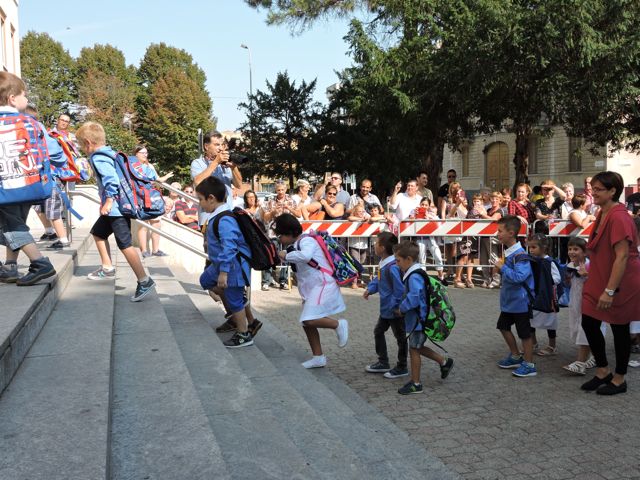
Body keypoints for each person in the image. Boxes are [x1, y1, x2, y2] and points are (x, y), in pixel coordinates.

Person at [75, 121, 155, 301]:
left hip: (116, 209)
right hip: (115, 209)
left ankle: (144, 280)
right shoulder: (110, 153)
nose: (82, 149)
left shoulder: (98, 157)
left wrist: (109, 201)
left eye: (82, 145)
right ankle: (107, 267)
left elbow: (112, 180)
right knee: (98, 233)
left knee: (125, 244)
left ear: (88, 142)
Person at [580, 171, 640, 395]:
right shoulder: (602, 213)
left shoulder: (619, 216)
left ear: (613, 191)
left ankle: (619, 378)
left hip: (619, 282)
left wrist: (609, 290)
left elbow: (622, 257)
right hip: (600, 278)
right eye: (592, 189)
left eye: (598, 189)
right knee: (589, 321)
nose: (593, 193)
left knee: (619, 328)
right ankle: (603, 370)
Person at [0, 73, 57, 286]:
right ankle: (11, 267)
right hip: (30, 184)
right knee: (16, 223)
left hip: (4, 187)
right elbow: (54, 151)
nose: (27, 99)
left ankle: (39, 262)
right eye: (25, 94)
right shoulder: (31, 122)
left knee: (11, 226)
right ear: (12, 98)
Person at [274, 213, 349, 368]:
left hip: (323, 284)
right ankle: (318, 357)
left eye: (280, 235)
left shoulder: (306, 240)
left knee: (308, 319)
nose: (279, 239)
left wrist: (286, 255)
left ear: (289, 232)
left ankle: (338, 324)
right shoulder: (296, 244)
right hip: (312, 287)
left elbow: (306, 256)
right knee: (307, 323)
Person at [196, 176, 255, 348]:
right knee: (205, 281)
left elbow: (230, 246)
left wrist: (223, 272)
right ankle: (237, 309)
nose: (200, 204)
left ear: (211, 198)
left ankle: (244, 334)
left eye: (201, 199)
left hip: (231, 267)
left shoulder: (225, 218)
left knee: (234, 298)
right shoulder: (217, 216)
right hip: (220, 265)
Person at [394, 240, 454, 395]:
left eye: (398, 260)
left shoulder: (413, 276)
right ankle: (444, 362)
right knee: (418, 347)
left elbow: (414, 297)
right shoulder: (416, 272)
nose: (396, 263)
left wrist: (402, 308)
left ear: (408, 259)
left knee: (414, 349)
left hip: (418, 321)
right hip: (419, 320)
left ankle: (416, 383)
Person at [494, 215, 537, 377]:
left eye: (500, 231)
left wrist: (502, 268)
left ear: (511, 233)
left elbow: (519, 277)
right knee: (503, 326)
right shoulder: (509, 253)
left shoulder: (520, 255)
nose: (497, 234)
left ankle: (529, 364)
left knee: (525, 334)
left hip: (521, 302)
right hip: (510, 302)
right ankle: (516, 356)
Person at [363, 232, 408, 378]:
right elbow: (379, 279)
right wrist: (370, 288)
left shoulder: (392, 266)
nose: (374, 245)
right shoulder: (384, 263)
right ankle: (383, 362)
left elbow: (399, 289)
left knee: (400, 337)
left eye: (376, 243)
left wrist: (395, 306)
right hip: (387, 309)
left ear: (382, 248)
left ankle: (402, 366)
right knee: (379, 331)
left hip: (394, 310)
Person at [562, 236, 603, 375]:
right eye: (570, 249)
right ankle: (595, 356)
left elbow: (598, 282)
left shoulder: (590, 265)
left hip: (588, 301)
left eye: (576, 249)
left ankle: (580, 363)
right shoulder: (570, 265)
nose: (572, 252)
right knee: (578, 327)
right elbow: (570, 284)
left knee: (584, 329)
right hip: (575, 301)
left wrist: (587, 275)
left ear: (585, 252)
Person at [191, 131, 243, 225]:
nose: (220, 148)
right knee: (210, 240)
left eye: (221, 145)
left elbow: (239, 185)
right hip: (208, 218)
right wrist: (216, 162)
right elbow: (197, 182)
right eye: (216, 145)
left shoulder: (224, 164)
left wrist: (233, 167)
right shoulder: (198, 163)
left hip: (227, 215)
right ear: (206, 146)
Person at [527, 234, 561, 356]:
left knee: (550, 322)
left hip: (547, 297)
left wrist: (547, 281)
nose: (531, 250)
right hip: (533, 295)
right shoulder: (531, 260)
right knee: (530, 319)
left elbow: (557, 279)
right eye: (529, 247)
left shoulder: (549, 262)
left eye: (534, 247)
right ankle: (533, 343)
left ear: (544, 248)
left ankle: (552, 345)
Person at [261, 180, 296, 290]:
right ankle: (267, 280)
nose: (280, 192)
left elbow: (298, 214)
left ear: (285, 190)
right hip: (274, 232)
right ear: (275, 190)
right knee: (271, 254)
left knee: (286, 255)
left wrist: (289, 209)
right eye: (278, 190)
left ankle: (283, 280)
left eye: (282, 189)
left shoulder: (291, 200)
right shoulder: (270, 201)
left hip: (287, 232)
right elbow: (265, 218)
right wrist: (272, 212)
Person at [135, 146, 169, 258]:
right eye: (142, 153)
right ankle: (144, 250)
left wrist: (165, 177)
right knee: (143, 225)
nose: (145, 155)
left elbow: (157, 179)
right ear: (136, 154)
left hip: (152, 197)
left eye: (146, 153)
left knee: (156, 223)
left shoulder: (149, 166)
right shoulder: (132, 166)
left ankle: (155, 249)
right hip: (140, 197)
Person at [411, 196, 445, 281]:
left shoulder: (431, 213)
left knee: (438, 255)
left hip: (431, 239)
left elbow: (438, 222)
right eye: (422, 204)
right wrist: (414, 215)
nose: (424, 206)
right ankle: (423, 276)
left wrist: (429, 217)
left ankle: (441, 275)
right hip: (420, 238)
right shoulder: (415, 211)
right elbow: (410, 221)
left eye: (426, 205)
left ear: (429, 206)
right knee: (422, 258)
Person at [479, 192, 504, 289]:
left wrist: (482, 214)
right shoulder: (488, 210)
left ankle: (496, 279)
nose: (494, 200)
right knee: (484, 259)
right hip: (484, 237)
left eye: (496, 199)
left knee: (494, 258)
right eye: (492, 198)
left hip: (493, 238)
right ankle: (487, 279)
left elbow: (493, 219)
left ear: (500, 200)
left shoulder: (500, 211)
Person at [347, 202, 370, 288]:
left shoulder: (365, 216)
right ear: (355, 212)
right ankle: (354, 282)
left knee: (361, 263)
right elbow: (350, 217)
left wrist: (366, 217)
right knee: (355, 263)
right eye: (359, 211)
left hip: (364, 245)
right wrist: (360, 220)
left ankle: (359, 281)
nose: (361, 213)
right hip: (354, 245)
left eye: (363, 211)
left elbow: (370, 217)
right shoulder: (354, 218)